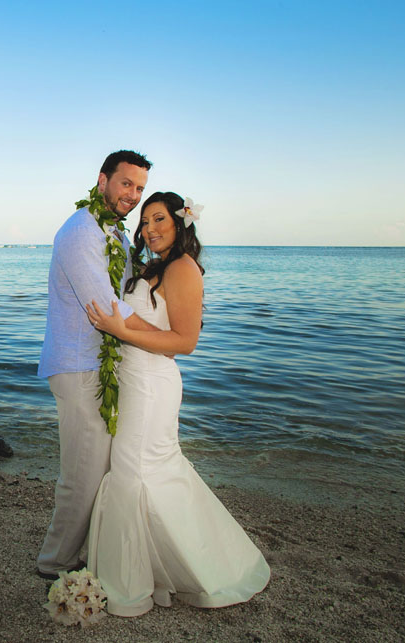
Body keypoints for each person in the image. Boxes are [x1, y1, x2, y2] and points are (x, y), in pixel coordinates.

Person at [85, 191, 270, 616]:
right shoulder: (152, 265)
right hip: (132, 380)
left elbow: (185, 342)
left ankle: (134, 583)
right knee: (139, 470)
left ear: (180, 223)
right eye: (145, 221)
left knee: (137, 472)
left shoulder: (184, 269)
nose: (150, 229)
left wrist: (121, 330)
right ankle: (149, 569)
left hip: (152, 386)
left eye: (160, 220)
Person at [36, 150, 155, 579]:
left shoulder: (115, 234)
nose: (133, 195)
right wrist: (164, 338)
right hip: (78, 361)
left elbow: (128, 293)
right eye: (126, 183)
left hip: (101, 361)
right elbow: (103, 304)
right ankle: (55, 563)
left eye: (140, 188)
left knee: (102, 464)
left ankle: (85, 549)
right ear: (102, 180)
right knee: (83, 470)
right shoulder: (80, 232)